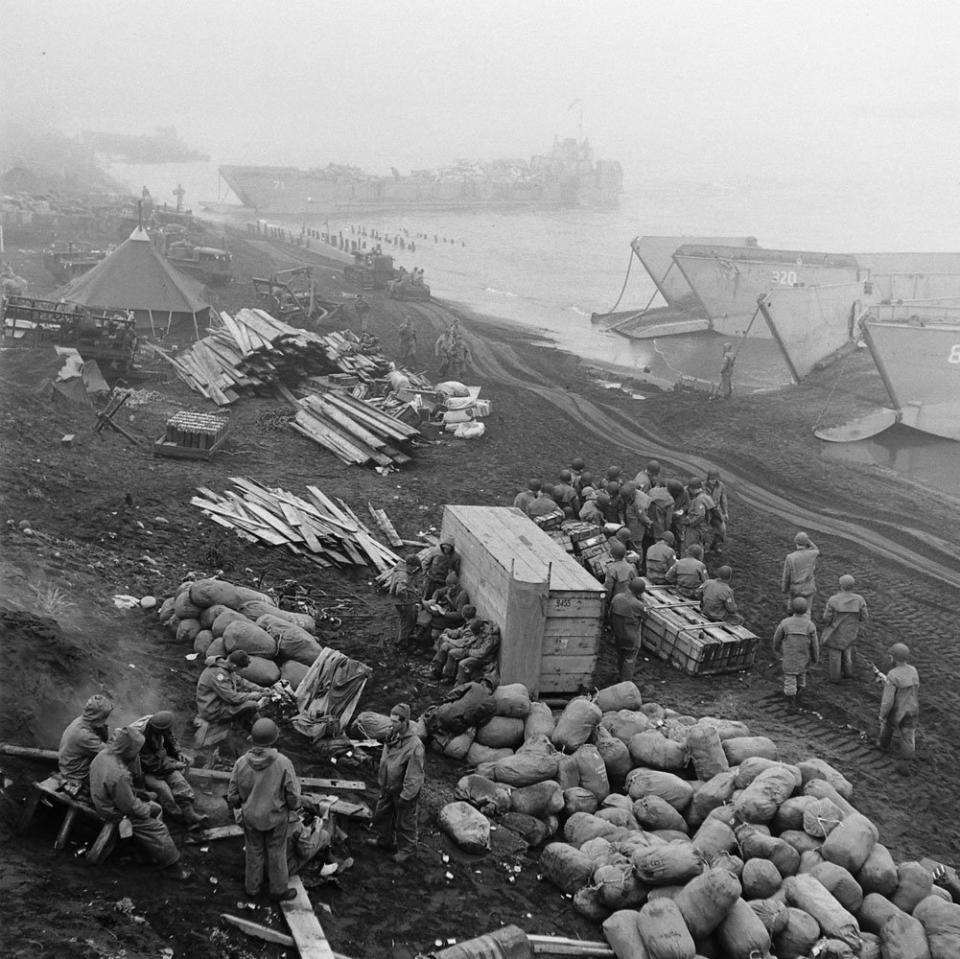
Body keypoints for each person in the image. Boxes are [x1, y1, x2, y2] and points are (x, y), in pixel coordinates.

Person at [90, 726, 190, 880]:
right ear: (128, 749)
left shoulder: (104, 754)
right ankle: (171, 866)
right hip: (111, 810)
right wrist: (145, 810)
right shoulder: (118, 774)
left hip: (102, 797)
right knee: (157, 827)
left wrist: (138, 794)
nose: (137, 753)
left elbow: (120, 790)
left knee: (154, 807)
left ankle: (143, 850)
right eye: (135, 749)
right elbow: (130, 807)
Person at [227, 718, 301, 901]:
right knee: (276, 851)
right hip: (276, 818)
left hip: (251, 817)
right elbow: (293, 795)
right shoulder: (284, 763)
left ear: (252, 738)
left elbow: (232, 796)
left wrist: (242, 805)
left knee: (253, 850)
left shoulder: (240, 763)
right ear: (273, 739)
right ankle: (278, 890)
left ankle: (252, 888)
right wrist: (294, 808)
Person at [368, 703, 425, 865]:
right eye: (391, 720)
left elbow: (414, 776)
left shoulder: (415, 746)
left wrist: (406, 796)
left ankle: (407, 850)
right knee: (383, 814)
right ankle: (385, 840)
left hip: (403, 792)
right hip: (388, 786)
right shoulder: (391, 736)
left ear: (405, 722)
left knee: (405, 821)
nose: (391, 724)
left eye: (395, 721)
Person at [130, 711, 207, 830]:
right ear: (157, 730)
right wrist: (174, 765)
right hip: (141, 771)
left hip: (160, 762)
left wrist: (178, 752)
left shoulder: (159, 726)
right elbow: (150, 764)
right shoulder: (139, 737)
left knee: (179, 781)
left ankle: (190, 814)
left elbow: (170, 737)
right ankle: (180, 818)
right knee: (163, 790)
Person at [58, 694, 114, 799]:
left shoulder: (82, 721)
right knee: (115, 780)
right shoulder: (84, 735)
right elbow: (109, 754)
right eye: (104, 717)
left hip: (70, 764)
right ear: (98, 717)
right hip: (76, 775)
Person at [878, 643, 920, 770]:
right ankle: (905, 764)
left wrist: (883, 714)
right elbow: (915, 686)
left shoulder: (892, 674)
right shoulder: (913, 670)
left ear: (893, 658)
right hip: (912, 708)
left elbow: (888, 700)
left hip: (897, 710)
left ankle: (883, 746)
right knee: (908, 736)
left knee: (887, 726)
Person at [196, 651, 266, 726]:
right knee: (252, 705)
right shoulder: (219, 675)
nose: (240, 671)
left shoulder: (226, 667)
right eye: (240, 668)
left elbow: (241, 681)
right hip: (213, 711)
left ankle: (257, 728)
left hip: (220, 703)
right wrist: (253, 696)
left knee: (248, 705)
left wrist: (261, 689)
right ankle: (259, 729)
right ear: (234, 666)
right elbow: (232, 698)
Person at [772, 597, 820, 707]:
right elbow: (815, 645)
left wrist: (776, 649)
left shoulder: (785, 623)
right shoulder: (810, 625)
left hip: (789, 656)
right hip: (804, 657)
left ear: (792, 609)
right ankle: (799, 693)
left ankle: (791, 702)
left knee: (790, 679)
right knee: (801, 675)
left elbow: (777, 638)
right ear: (806, 609)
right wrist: (815, 657)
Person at [821, 574, 868, 683]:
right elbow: (864, 617)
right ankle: (848, 673)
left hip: (835, 632)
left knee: (835, 654)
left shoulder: (833, 600)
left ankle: (835, 678)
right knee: (847, 652)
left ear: (840, 585)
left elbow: (826, 618)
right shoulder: (859, 599)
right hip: (851, 632)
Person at [609, 579, 647, 682]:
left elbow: (610, 613)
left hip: (618, 635)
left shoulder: (616, 598)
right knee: (629, 660)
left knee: (620, 656)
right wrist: (642, 601)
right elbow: (646, 616)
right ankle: (625, 682)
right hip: (631, 638)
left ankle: (620, 674)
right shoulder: (638, 605)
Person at [429, 608, 477, 679]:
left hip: (468, 649)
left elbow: (461, 643)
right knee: (444, 641)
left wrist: (448, 639)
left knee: (446, 646)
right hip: (465, 645)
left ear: (463, 615)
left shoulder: (472, 627)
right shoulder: (470, 622)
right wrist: (450, 631)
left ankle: (442, 673)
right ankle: (435, 667)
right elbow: (460, 630)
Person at [782, 532, 820, 616]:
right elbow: (816, 549)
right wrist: (807, 540)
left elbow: (787, 575)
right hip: (808, 587)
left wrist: (784, 588)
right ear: (806, 543)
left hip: (795, 588)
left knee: (792, 609)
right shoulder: (812, 554)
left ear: (796, 542)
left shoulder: (790, 557)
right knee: (807, 610)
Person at [391, 554, 424, 648]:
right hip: (404, 602)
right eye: (414, 567)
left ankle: (401, 639)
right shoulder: (403, 575)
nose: (414, 570)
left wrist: (412, 589)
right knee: (407, 622)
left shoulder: (400, 569)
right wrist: (407, 599)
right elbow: (400, 590)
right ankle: (402, 643)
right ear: (409, 565)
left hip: (398, 601)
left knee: (404, 621)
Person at [682, 478, 715, 551]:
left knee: (689, 548)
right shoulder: (705, 496)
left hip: (695, 529)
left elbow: (700, 516)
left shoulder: (699, 499)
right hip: (702, 528)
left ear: (691, 488)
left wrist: (689, 522)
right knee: (698, 547)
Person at [703, 469, 729, 554]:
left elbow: (723, 500)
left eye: (714, 479)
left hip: (716, 511)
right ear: (708, 478)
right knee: (704, 530)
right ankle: (704, 547)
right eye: (711, 479)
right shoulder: (703, 485)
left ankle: (716, 546)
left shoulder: (721, 486)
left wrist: (725, 513)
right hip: (706, 511)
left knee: (722, 529)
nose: (713, 481)